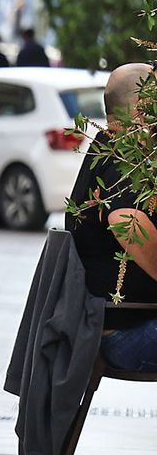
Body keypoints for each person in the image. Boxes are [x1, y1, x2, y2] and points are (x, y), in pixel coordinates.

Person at [68, 64, 157, 368]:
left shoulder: (106, 147)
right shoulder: (124, 158)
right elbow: (125, 220)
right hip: (126, 335)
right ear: (143, 106)